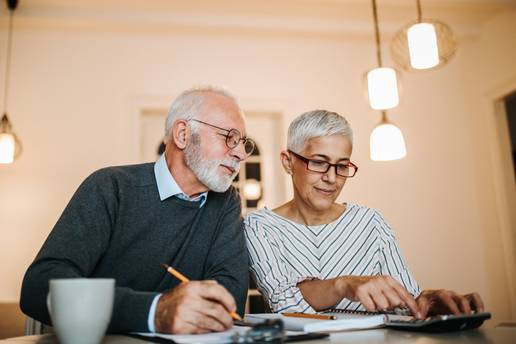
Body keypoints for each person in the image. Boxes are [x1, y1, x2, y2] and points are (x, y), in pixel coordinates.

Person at [20, 86, 255, 334]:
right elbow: (39, 287)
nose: (240, 154)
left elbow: (229, 301)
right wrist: (156, 311)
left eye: (242, 142)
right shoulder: (111, 186)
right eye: (229, 136)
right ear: (183, 134)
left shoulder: (226, 202)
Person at [244, 110, 484, 319]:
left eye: (341, 166)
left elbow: (405, 305)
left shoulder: (371, 222)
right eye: (319, 162)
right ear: (288, 162)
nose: (331, 177)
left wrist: (427, 301)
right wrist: (343, 285)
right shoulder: (260, 226)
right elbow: (285, 304)